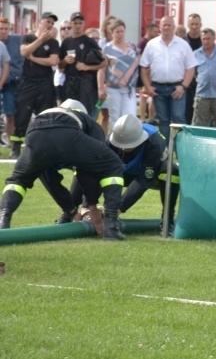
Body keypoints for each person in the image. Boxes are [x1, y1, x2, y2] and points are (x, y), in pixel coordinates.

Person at [0, 99, 126, 240]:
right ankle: (111, 226)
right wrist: (92, 206)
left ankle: (3, 221)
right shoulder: (88, 121)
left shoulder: (51, 115)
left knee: (17, 180)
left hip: (35, 133)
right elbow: (91, 169)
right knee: (113, 164)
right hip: (66, 133)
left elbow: (50, 179)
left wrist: (70, 210)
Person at [105, 115, 180, 234]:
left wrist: (118, 209)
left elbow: (144, 180)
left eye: (129, 145)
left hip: (152, 174)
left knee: (172, 171)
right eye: (121, 145)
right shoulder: (110, 140)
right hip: (124, 173)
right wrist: (89, 207)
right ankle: (73, 213)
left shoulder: (154, 142)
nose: (124, 149)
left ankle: (167, 221)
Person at [139, 16, 198, 138]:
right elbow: (143, 67)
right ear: (159, 27)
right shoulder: (151, 44)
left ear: (174, 27)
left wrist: (183, 87)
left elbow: (191, 68)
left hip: (177, 88)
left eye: (169, 25)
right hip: (158, 89)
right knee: (163, 121)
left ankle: (180, 149)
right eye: (164, 25)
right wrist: (148, 87)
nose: (166, 27)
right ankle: (166, 150)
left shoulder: (183, 45)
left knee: (178, 119)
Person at [13, 13, 61, 160]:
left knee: (44, 115)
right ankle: (16, 147)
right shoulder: (28, 37)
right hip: (28, 81)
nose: (50, 25)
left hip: (45, 82)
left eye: (52, 23)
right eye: (47, 21)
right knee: (22, 115)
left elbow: (53, 61)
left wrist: (33, 58)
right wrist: (40, 40)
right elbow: (24, 51)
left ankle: (42, 146)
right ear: (40, 22)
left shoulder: (53, 43)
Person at [59, 12, 107, 120]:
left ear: (84, 24)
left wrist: (87, 67)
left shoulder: (89, 41)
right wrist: (65, 61)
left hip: (85, 82)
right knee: (69, 112)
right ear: (71, 24)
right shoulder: (66, 42)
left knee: (84, 112)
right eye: (75, 23)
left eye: (80, 23)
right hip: (69, 82)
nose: (77, 26)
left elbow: (104, 63)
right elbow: (60, 66)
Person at [98, 19, 139, 129]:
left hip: (129, 88)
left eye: (122, 31)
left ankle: (129, 142)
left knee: (130, 116)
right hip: (112, 88)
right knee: (115, 117)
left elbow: (138, 63)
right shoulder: (106, 49)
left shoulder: (132, 47)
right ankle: (115, 143)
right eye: (117, 32)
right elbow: (101, 69)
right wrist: (100, 88)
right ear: (111, 33)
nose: (120, 34)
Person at [0, 16, 24, 156]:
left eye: (5, 29)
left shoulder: (18, 40)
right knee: (9, 114)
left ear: (10, 29)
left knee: (18, 115)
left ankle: (15, 143)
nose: (3, 31)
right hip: (6, 82)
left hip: (18, 82)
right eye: (0, 29)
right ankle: (11, 142)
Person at [192, 28, 216, 127]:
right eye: (204, 39)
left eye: (208, 38)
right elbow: (193, 72)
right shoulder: (196, 54)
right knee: (200, 125)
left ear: (214, 38)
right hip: (202, 94)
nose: (206, 41)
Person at [137, 22, 159, 122]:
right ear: (148, 31)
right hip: (145, 74)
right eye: (155, 32)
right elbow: (140, 59)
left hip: (152, 74)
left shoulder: (153, 42)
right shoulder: (143, 43)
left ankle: (151, 117)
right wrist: (147, 68)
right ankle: (142, 118)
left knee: (152, 95)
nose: (157, 34)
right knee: (144, 96)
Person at [183, 14, 203, 125]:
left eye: (196, 24)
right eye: (192, 24)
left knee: (201, 114)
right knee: (186, 113)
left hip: (201, 83)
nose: (194, 26)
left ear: (201, 25)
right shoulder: (182, 42)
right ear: (188, 25)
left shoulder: (205, 41)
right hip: (186, 84)